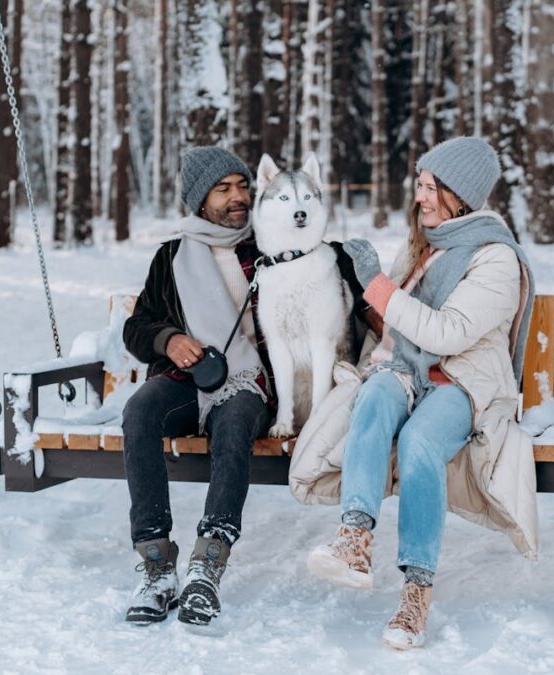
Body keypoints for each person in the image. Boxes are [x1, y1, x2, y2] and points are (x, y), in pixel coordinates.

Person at [295, 136, 538, 649]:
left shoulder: (496, 258)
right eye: (420, 186)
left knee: (420, 442)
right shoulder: (425, 245)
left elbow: (447, 334)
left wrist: (378, 284)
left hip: (461, 380)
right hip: (405, 369)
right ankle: (354, 539)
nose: (420, 198)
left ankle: (416, 591)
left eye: (430, 188)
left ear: (460, 194)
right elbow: (396, 327)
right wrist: (356, 284)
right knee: (375, 398)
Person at [121, 146, 369, 626]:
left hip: (250, 383)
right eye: (223, 189)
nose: (238, 196)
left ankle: (207, 565)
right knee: (140, 413)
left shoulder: (270, 245)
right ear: (199, 200)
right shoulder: (172, 257)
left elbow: (325, 278)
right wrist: (168, 340)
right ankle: (155, 565)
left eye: (242, 186)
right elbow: (137, 329)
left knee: (235, 424)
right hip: (185, 378)